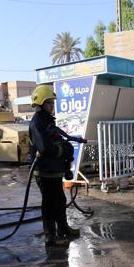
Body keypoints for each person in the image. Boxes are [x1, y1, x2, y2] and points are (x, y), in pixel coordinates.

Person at [28, 85, 81, 247]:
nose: (52, 106)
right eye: (49, 103)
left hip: (54, 171)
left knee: (59, 201)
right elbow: (44, 148)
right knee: (49, 204)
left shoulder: (47, 121)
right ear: (41, 103)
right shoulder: (37, 123)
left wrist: (66, 147)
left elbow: (54, 140)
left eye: (52, 103)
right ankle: (50, 237)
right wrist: (62, 149)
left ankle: (63, 229)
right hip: (44, 171)